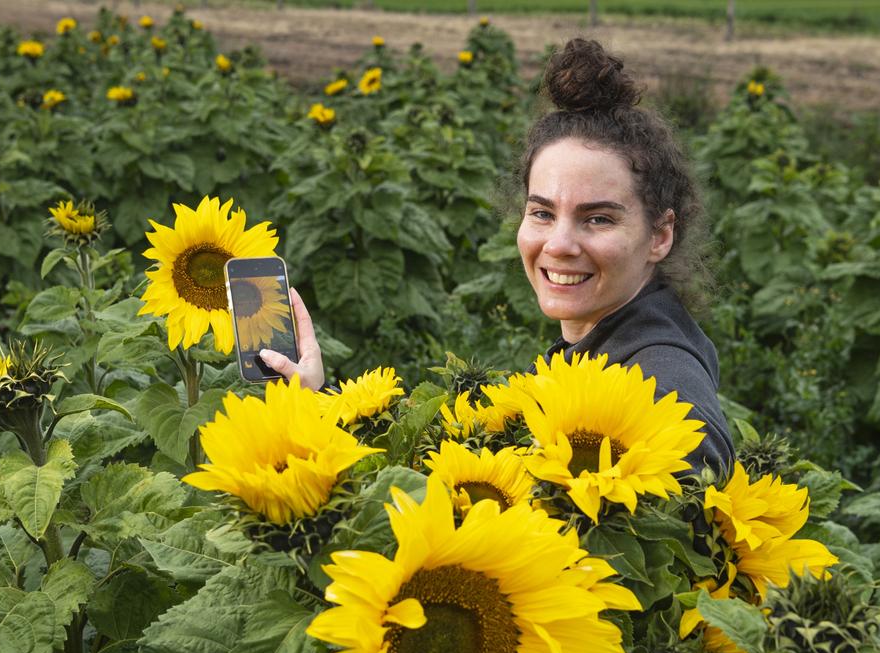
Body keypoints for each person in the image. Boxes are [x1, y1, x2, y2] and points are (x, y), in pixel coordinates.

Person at [260, 38, 734, 474]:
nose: (559, 244)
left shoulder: (662, 379)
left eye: (598, 219)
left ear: (660, 235)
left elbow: (695, 503)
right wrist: (313, 403)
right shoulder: (603, 351)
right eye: (543, 213)